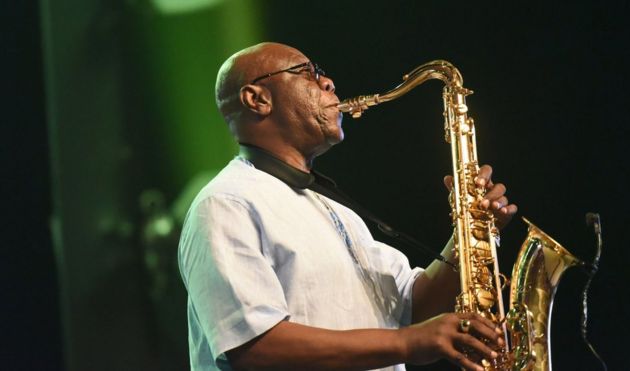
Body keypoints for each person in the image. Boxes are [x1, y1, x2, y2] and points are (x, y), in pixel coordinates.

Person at [178, 42, 518, 371]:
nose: (328, 82)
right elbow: (255, 347)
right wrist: (407, 343)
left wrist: (472, 230)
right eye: (307, 73)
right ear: (257, 99)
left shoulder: (334, 210)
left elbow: (414, 307)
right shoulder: (225, 203)